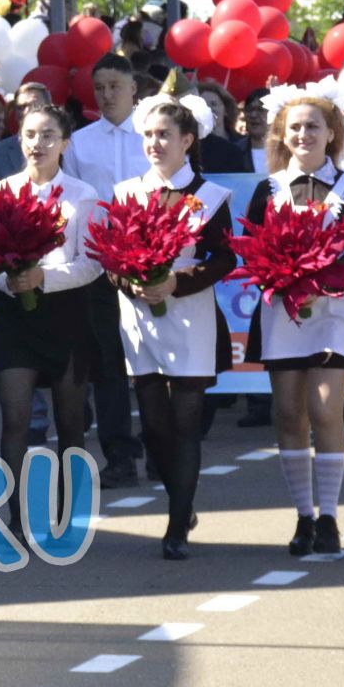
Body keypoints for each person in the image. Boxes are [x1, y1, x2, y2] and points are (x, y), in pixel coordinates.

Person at [242, 84, 344, 556]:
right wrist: (280, 278)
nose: (304, 134)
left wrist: (325, 282)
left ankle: (331, 517)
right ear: (282, 133)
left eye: (313, 126)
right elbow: (252, 248)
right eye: (295, 127)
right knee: (288, 415)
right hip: (282, 313)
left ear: (331, 132)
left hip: (334, 314)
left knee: (324, 411)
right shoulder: (268, 189)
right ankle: (303, 516)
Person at [111, 94, 235, 560]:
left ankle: (176, 523)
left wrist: (176, 282)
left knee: (185, 422)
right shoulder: (127, 192)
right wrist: (134, 282)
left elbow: (224, 258)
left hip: (190, 316)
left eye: (164, 135)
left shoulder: (211, 195)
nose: (154, 143)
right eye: (148, 135)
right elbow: (111, 255)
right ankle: (180, 498)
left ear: (188, 140)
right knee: (155, 426)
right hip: (140, 318)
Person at [0, 104, 101, 521]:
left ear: (65, 143)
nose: (39, 143)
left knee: (70, 423)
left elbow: (91, 263)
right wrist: (9, 280)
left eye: (49, 135)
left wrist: (42, 279)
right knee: (15, 418)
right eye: (31, 134)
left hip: (66, 315)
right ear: (20, 140)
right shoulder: (0, 192)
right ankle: (17, 518)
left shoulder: (82, 194)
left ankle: (68, 513)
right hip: (15, 318)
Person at [64, 54, 143, 488]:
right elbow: (73, 203)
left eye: (116, 85)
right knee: (109, 362)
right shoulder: (79, 142)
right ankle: (120, 455)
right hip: (98, 266)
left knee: (154, 361)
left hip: (151, 261)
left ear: (134, 87)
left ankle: (163, 443)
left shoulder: (152, 136)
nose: (108, 95)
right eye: (100, 88)